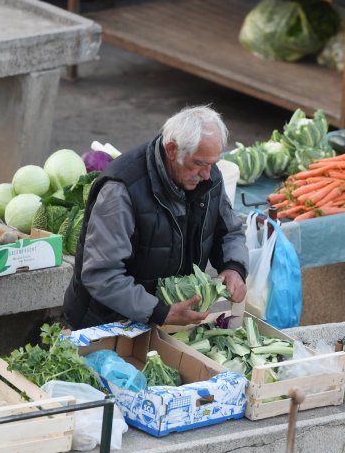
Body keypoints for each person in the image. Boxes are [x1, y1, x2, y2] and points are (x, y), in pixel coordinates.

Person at [63, 105, 249, 329]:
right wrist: (159, 311)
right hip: (108, 324)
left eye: (212, 163)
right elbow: (102, 275)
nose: (207, 174)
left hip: (164, 320)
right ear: (172, 150)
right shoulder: (121, 190)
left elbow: (230, 232)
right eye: (199, 163)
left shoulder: (207, 177)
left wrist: (234, 267)